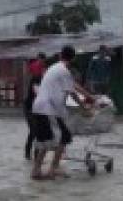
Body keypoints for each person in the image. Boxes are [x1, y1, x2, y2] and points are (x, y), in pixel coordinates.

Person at [31, 45, 95, 180]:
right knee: (63, 137)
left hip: (40, 107)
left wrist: (89, 96)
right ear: (73, 58)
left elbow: (73, 86)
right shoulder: (64, 71)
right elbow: (73, 93)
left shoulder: (55, 68)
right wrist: (85, 107)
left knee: (46, 140)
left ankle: (37, 171)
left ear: (60, 55)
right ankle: (53, 169)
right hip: (49, 109)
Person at [23, 59, 46, 160]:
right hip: (30, 108)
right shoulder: (35, 79)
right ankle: (29, 154)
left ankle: (35, 155)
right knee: (34, 131)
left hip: (39, 108)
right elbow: (38, 93)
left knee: (38, 131)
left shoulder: (42, 78)